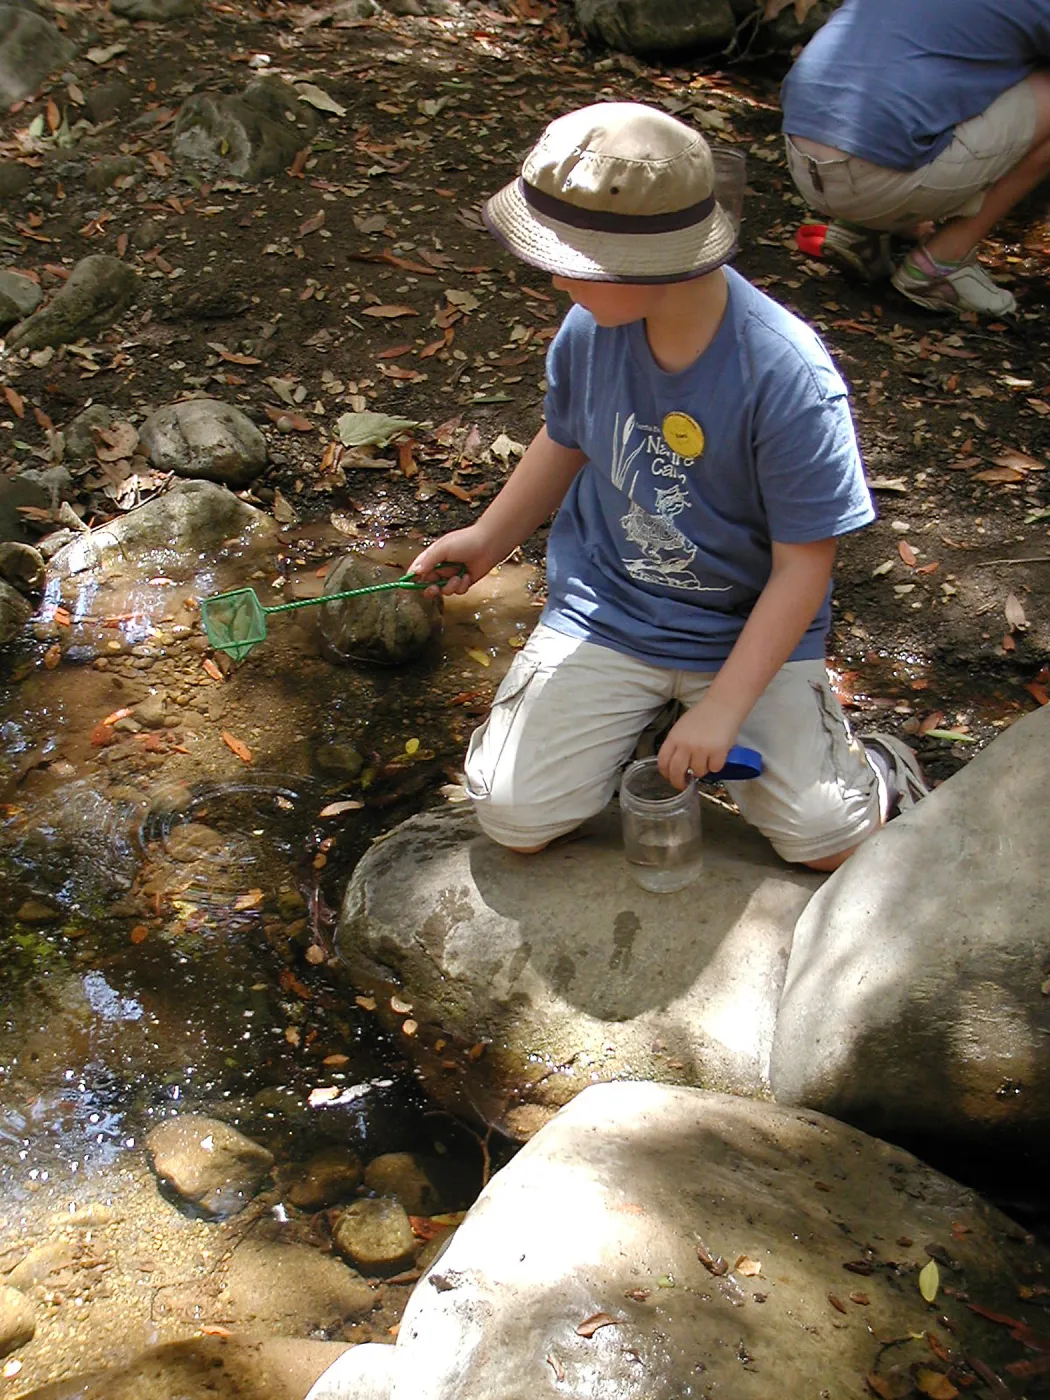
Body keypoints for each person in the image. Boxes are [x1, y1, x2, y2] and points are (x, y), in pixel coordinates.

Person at [411, 101, 926, 874]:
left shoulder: (784, 375)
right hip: (611, 609)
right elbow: (567, 436)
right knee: (512, 814)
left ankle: (877, 767)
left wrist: (723, 708)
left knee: (827, 841)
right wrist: (489, 537)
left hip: (745, 632)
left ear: (655, 264)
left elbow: (803, 569)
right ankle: (642, 720)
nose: (553, 278)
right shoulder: (591, 329)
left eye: (570, 261)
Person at [780, 0, 1050, 317]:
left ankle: (859, 232)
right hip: (875, 181)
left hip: (802, 157)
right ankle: (941, 265)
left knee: (938, 57)